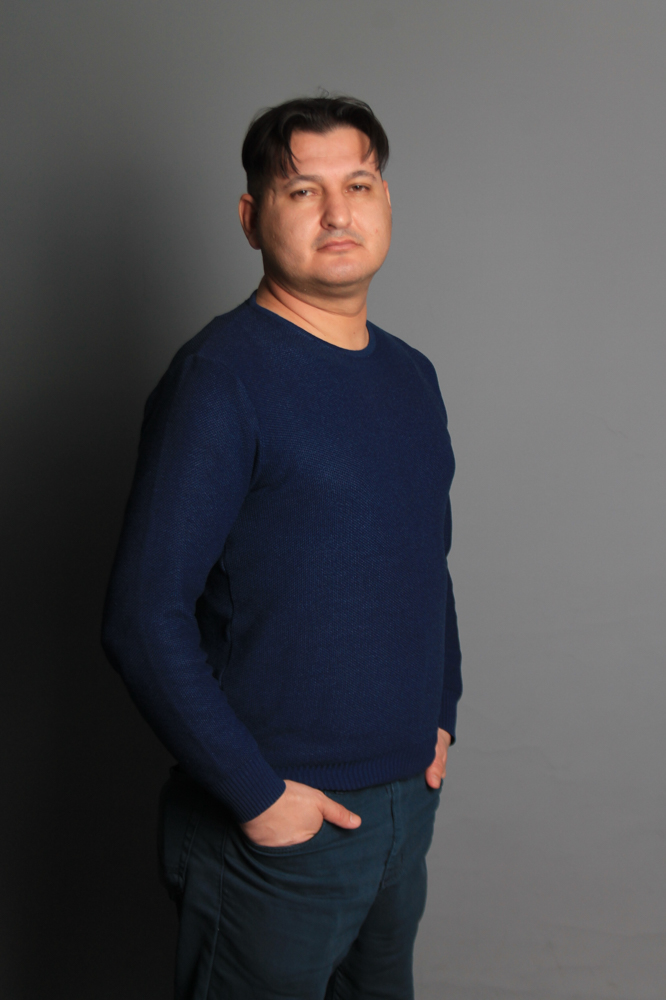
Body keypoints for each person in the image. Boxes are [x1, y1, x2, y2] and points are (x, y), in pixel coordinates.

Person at [102, 95, 462, 1000]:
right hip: (274, 831)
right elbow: (142, 616)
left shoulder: (411, 376)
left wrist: (440, 716)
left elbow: (426, 564)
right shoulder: (220, 379)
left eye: (359, 184)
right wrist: (257, 797)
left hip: (401, 812)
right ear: (251, 217)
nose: (338, 212)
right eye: (303, 190)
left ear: (386, 201)